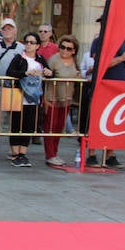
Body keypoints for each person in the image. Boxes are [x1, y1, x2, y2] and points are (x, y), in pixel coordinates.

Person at [85, 18, 125, 168]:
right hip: (102, 83)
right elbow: (100, 64)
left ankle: (110, 154)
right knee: (97, 118)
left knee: (112, 119)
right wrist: (123, 57)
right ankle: (91, 154)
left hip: (118, 84)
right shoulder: (99, 42)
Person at [5, 32, 51, 167]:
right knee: (16, 124)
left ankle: (23, 154)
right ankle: (15, 154)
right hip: (18, 95)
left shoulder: (41, 59)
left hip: (34, 98)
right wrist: (25, 73)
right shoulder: (19, 58)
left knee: (29, 125)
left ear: (37, 45)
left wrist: (49, 72)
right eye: (27, 42)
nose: (29, 45)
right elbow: (10, 72)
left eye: (32, 42)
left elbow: (48, 73)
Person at [0, 18, 24, 161]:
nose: (7, 31)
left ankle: (12, 149)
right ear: (1, 30)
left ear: (15, 30)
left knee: (13, 120)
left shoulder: (21, 48)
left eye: (10, 28)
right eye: (5, 28)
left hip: (14, 88)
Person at [43, 35, 79, 167]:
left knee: (59, 128)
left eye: (68, 48)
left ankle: (55, 153)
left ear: (74, 50)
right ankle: (50, 155)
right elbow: (45, 78)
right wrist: (45, 98)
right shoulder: (54, 60)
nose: (65, 50)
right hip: (52, 98)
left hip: (67, 99)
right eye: (62, 47)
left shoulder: (75, 60)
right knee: (50, 127)